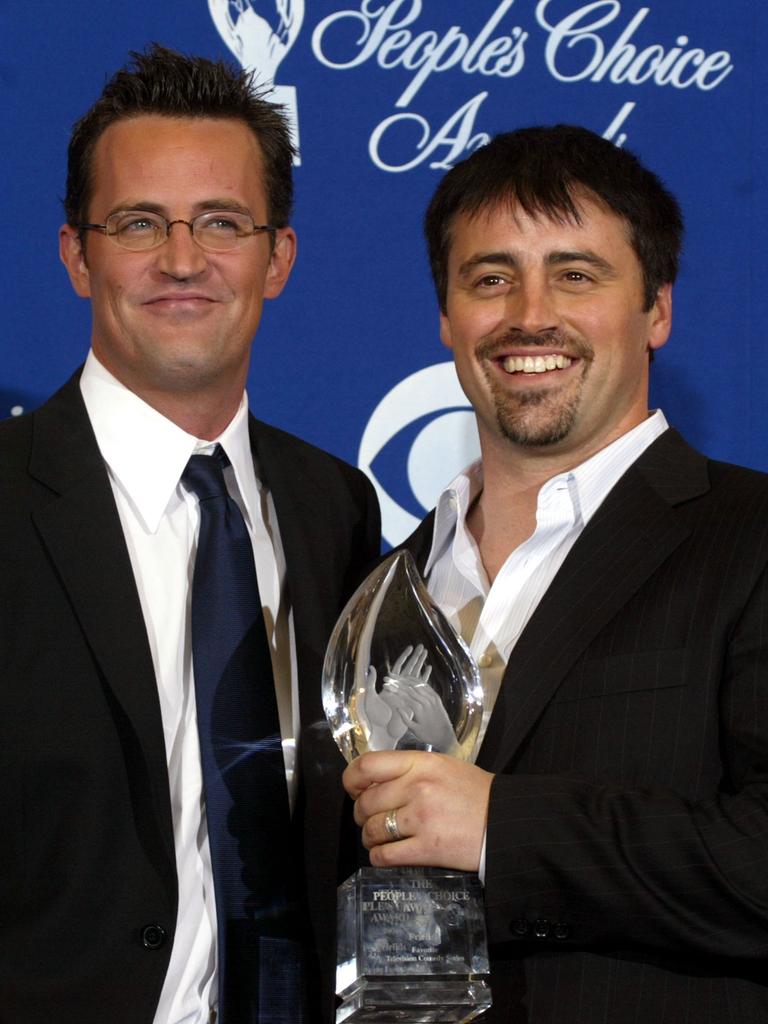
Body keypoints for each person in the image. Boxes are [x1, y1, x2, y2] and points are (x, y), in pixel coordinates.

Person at [344, 125, 768, 1022]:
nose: (529, 314)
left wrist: (503, 828)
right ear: (448, 318)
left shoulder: (752, 539)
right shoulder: (384, 592)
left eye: (576, 274)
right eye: (490, 279)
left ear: (657, 308)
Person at [0, 45, 379, 1024]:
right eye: (138, 223)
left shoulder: (336, 507)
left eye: (221, 222)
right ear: (77, 257)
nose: (180, 259)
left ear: (277, 258)